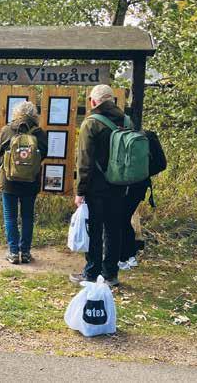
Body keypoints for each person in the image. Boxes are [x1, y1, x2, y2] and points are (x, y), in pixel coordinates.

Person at [69, 84, 127, 287]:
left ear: (93, 101)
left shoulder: (91, 123)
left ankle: (91, 273)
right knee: (113, 229)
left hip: (97, 186)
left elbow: (84, 161)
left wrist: (80, 191)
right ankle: (110, 274)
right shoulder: (126, 121)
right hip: (120, 185)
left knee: (94, 229)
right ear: (112, 100)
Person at [0, 101, 48, 264]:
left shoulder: (7, 130)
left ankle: (14, 252)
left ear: (16, 113)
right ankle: (26, 252)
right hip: (31, 181)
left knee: (10, 217)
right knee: (27, 217)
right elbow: (44, 153)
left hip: (9, 181)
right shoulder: (39, 133)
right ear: (34, 115)